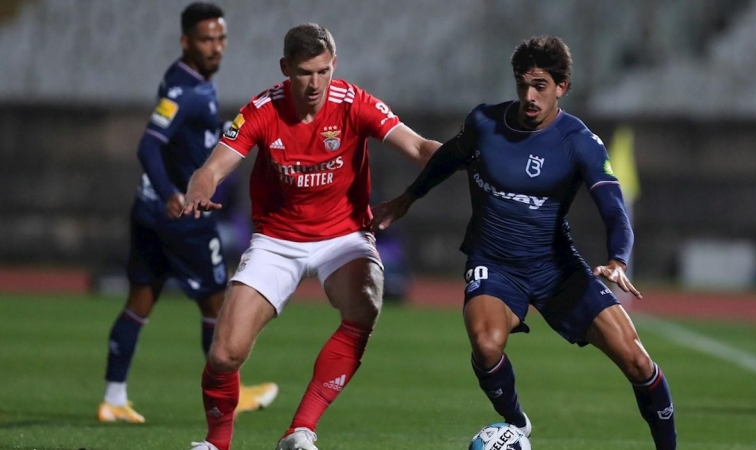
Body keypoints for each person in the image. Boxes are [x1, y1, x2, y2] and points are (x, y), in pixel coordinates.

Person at [372, 35, 677, 450]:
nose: (529, 96)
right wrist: (407, 199)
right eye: (522, 85)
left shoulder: (580, 142)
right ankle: (517, 424)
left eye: (540, 86)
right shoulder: (484, 123)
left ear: (562, 87)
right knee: (485, 344)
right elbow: (448, 158)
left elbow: (613, 207)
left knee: (638, 361)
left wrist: (618, 260)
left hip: (556, 269)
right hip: (494, 264)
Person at [182, 23, 441, 450]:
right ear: (286, 68)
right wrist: (199, 188)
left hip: (343, 235)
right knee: (225, 353)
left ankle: (300, 430)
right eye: (305, 72)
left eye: (324, 71)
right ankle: (216, 444)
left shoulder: (354, 102)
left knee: (365, 302)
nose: (316, 82)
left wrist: (467, 157)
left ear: (333, 65)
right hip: (276, 239)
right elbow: (212, 169)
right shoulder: (263, 109)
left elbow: (417, 148)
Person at [97, 2, 278, 424]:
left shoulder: (182, 80)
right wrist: (170, 194)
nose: (216, 47)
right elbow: (148, 145)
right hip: (182, 217)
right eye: (206, 39)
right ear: (185, 42)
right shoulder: (188, 91)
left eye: (220, 38)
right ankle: (233, 395)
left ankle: (114, 398)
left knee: (138, 302)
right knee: (219, 305)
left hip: (147, 212)